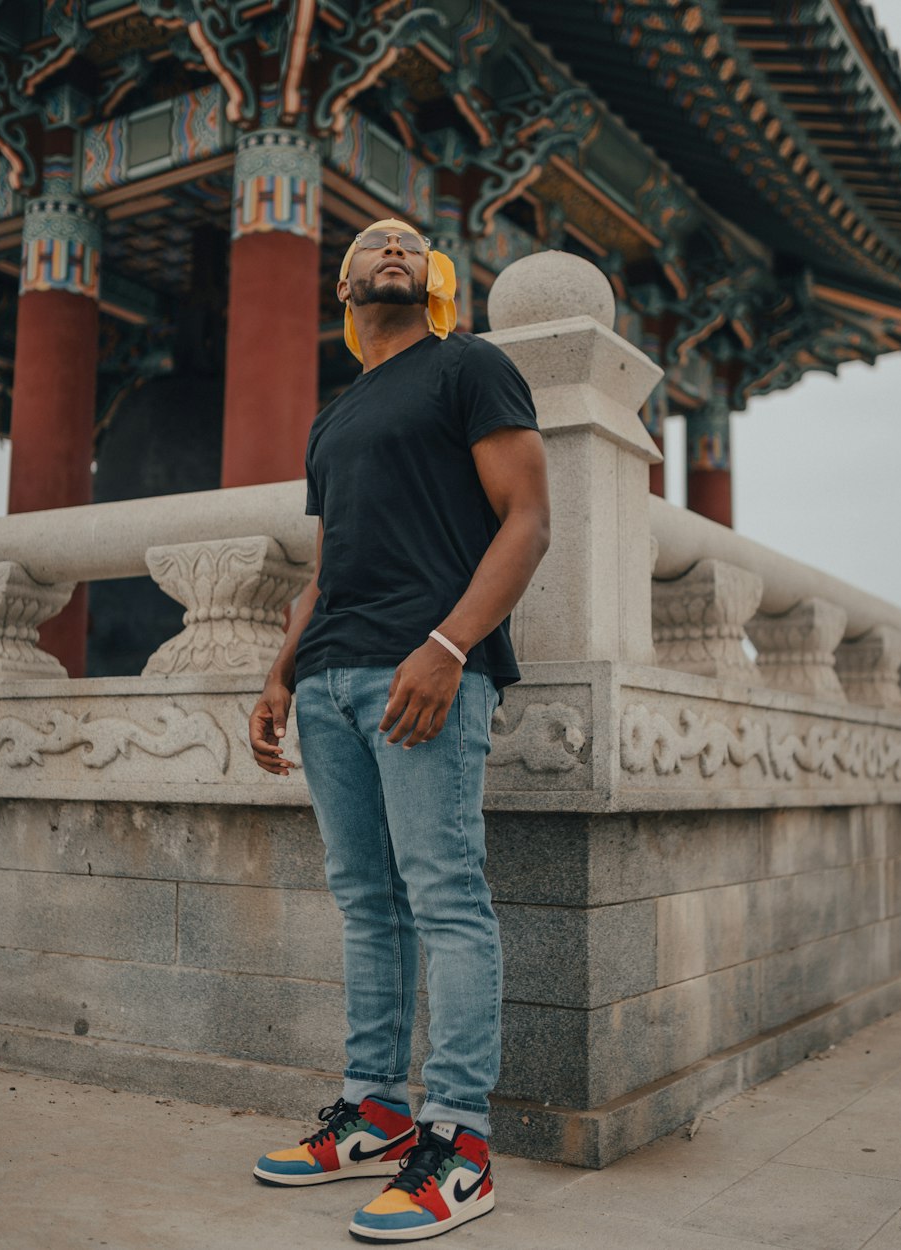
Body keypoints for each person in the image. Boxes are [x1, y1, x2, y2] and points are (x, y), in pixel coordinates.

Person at [248, 217, 550, 1242]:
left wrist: (452, 645)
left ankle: (458, 1143)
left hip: (422, 671)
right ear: (341, 283)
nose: (394, 246)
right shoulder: (332, 420)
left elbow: (528, 518)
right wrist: (280, 671)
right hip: (331, 679)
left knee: (446, 894)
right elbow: (328, 566)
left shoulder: (466, 365)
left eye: (411, 242)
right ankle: (373, 1110)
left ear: (431, 279)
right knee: (364, 901)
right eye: (373, 239)